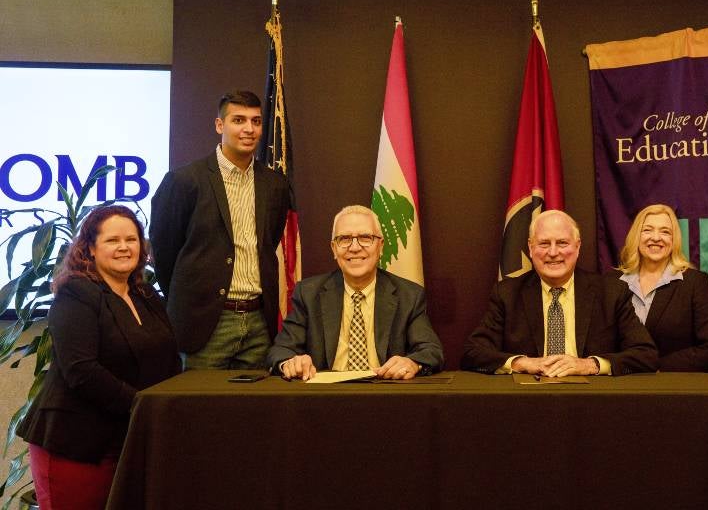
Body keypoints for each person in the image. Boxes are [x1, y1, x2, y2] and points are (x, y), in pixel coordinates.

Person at [17, 205, 180, 510]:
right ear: (90, 248)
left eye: (131, 240)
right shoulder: (75, 294)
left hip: (128, 440)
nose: (124, 247)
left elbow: (169, 358)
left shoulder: (145, 295)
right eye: (112, 240)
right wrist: (142, 407)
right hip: (75, 445)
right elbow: (81, 370)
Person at [150, 90, 291, 369]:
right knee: (199, 410)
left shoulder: (275, 184)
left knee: (252, 411)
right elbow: (165, 252)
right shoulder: (184, 180)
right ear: (219, 125)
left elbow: (268, 242)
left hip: (258, 321)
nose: (249, 129)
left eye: (256, 121)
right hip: (205, 323)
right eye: (238, 120)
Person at [461, 209, 658, 376]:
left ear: (577, 247)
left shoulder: (611, 292)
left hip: (594, 401)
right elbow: (473, 352)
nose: (553, 252)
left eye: (562, 243)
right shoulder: (507, 293)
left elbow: (645, 354)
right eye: (544, 244)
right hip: (527, 400)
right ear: (530, 248)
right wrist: (521, 363)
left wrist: (590, 365)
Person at [267, 205, 443, 380]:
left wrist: (412, 362)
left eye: (365, 237)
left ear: (380, 246)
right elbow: (280, 351)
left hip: (385, 395)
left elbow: (431, 350)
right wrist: (290, 362)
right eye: (344, 239)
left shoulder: (409, 295)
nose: (355, 247)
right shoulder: (308, 293)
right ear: (334, 248)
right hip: (326, 397)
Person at [608, 203, 708, 372]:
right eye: (647, 230)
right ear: (636, 236)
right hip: (620, 389)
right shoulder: (612, 282)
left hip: (675, 390)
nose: (656, 237)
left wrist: (653, 367)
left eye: (665, 232)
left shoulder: (695, 283)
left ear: (674, 240)